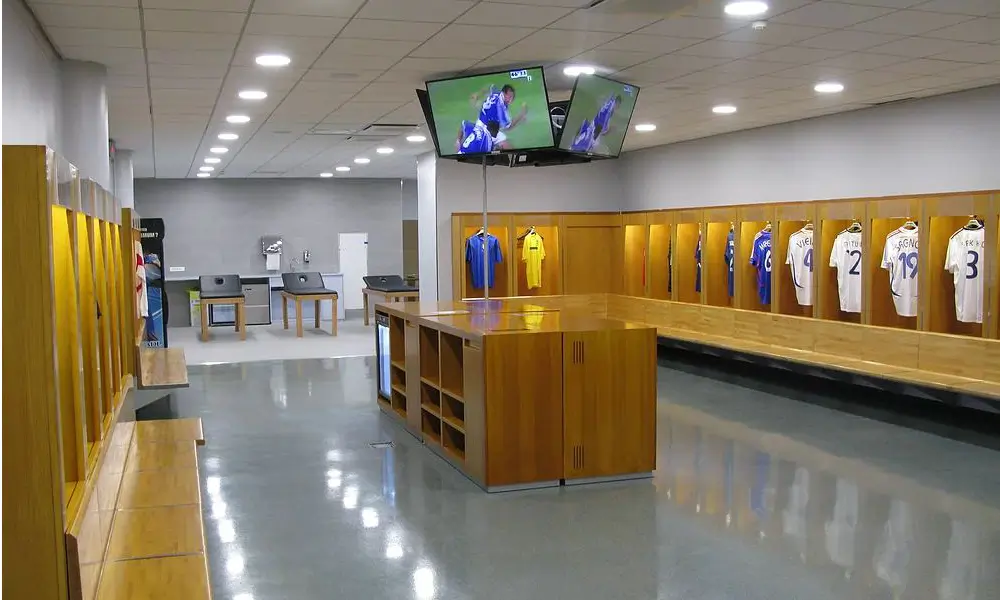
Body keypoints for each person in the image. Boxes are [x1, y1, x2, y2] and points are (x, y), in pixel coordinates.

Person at [469, 83, 528, 150]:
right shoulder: (500, 108)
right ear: (504, 94)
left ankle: (494, 147)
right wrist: (522, 114)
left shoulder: (496, 93)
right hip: (486, 130)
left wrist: (478, 94)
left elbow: (490, 86)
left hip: (482, 124)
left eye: (513, 96)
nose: (511, 99)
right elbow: (508, 127)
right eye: (510, 97)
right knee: (509, 148)